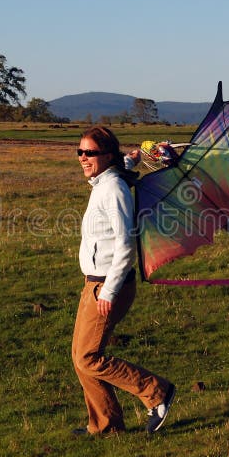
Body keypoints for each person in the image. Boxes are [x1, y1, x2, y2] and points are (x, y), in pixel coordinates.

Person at [72, 126, 175, 435]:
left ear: (105, 155)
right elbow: (118, 172)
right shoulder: (106, 180)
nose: (82, 158)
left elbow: (125, 243)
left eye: (89, 152)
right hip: (94, 283)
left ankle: (157, 393)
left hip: (107, 285)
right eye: (80, 152)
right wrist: (131, 161)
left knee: (88, 357)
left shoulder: (113, 187)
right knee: (81, 358)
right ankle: (106, 426)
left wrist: (109, 291)